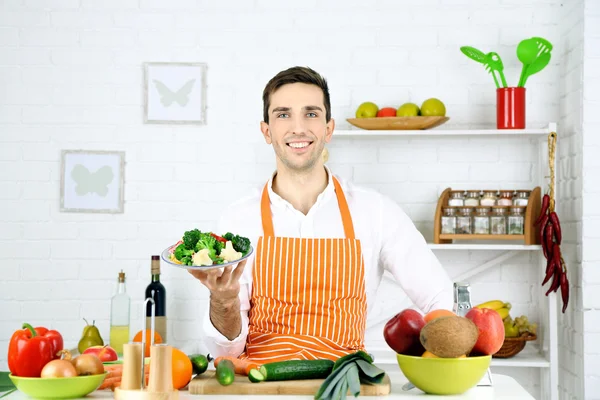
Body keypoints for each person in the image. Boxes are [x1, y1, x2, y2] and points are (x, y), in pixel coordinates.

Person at [189, 66, 454, 363]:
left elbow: (439, 298)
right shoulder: (239, 219)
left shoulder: (376, 212)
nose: (298, 128)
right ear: (267, 131)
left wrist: (437, 365)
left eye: (311, 114)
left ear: (329, 128)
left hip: (344, 386)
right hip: (259, 388)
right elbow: (226, 352)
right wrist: (223, 302)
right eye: (283, 114)